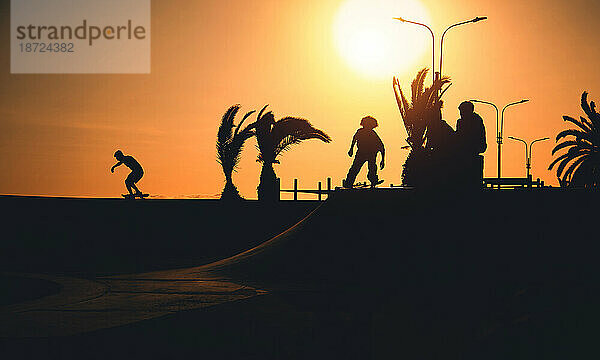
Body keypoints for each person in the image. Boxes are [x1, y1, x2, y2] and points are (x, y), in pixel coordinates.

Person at [343, 116, 385, 188]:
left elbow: (381, 146)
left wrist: (382, 160)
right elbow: (354, 139)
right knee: (355, 168)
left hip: (371, 153)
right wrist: (351, 149)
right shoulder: (360, 132)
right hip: (361, 153)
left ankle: (373, 180)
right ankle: (348, 182)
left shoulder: (373, 134)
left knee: (372, 167)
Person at [455, 101, 487, 187]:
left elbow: (464, 137)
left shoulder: (475, 121)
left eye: (462, 111)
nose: (461, 114)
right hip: (468, 150)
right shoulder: (462, 122)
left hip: (472, 150)